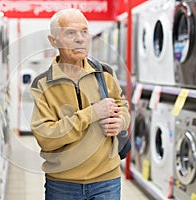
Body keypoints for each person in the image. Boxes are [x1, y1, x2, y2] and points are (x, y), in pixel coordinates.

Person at [30, 8, 130, 200]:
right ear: (54, 41)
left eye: (84, 31)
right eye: (70, 33)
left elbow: (121, 105)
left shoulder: (104, 73)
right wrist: (91, 113)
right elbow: (46, 137)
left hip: (107, 180)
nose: (80, 39)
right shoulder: (42, 84)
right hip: (62, 184)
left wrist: (121, 121)